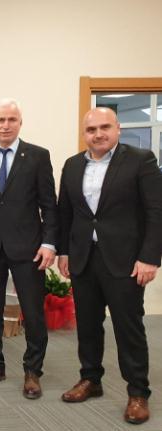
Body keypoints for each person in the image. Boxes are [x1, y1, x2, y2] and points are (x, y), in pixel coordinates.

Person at [58, 107, 162, 425]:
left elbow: (156, 211)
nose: (98, 134)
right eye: (91, 129)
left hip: (125, 261)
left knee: (128, 327)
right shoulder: (73, 165)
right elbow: (66, 213)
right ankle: (91, 379)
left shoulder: (140, 160)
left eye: (105, 127)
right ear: (84, 134)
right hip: (84, 258)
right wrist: (64, 252)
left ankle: (138, 392)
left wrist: (149, 257)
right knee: (88, 324)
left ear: (118, 129)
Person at [0, 98, 58, 399]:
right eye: (0, 120)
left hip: (29, 248)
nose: (6, 125)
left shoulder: (38, 156)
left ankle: (33, 371)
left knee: (33, 312)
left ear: (20, 123)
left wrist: (49, 243)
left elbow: (49, 204)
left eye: (11, 120)